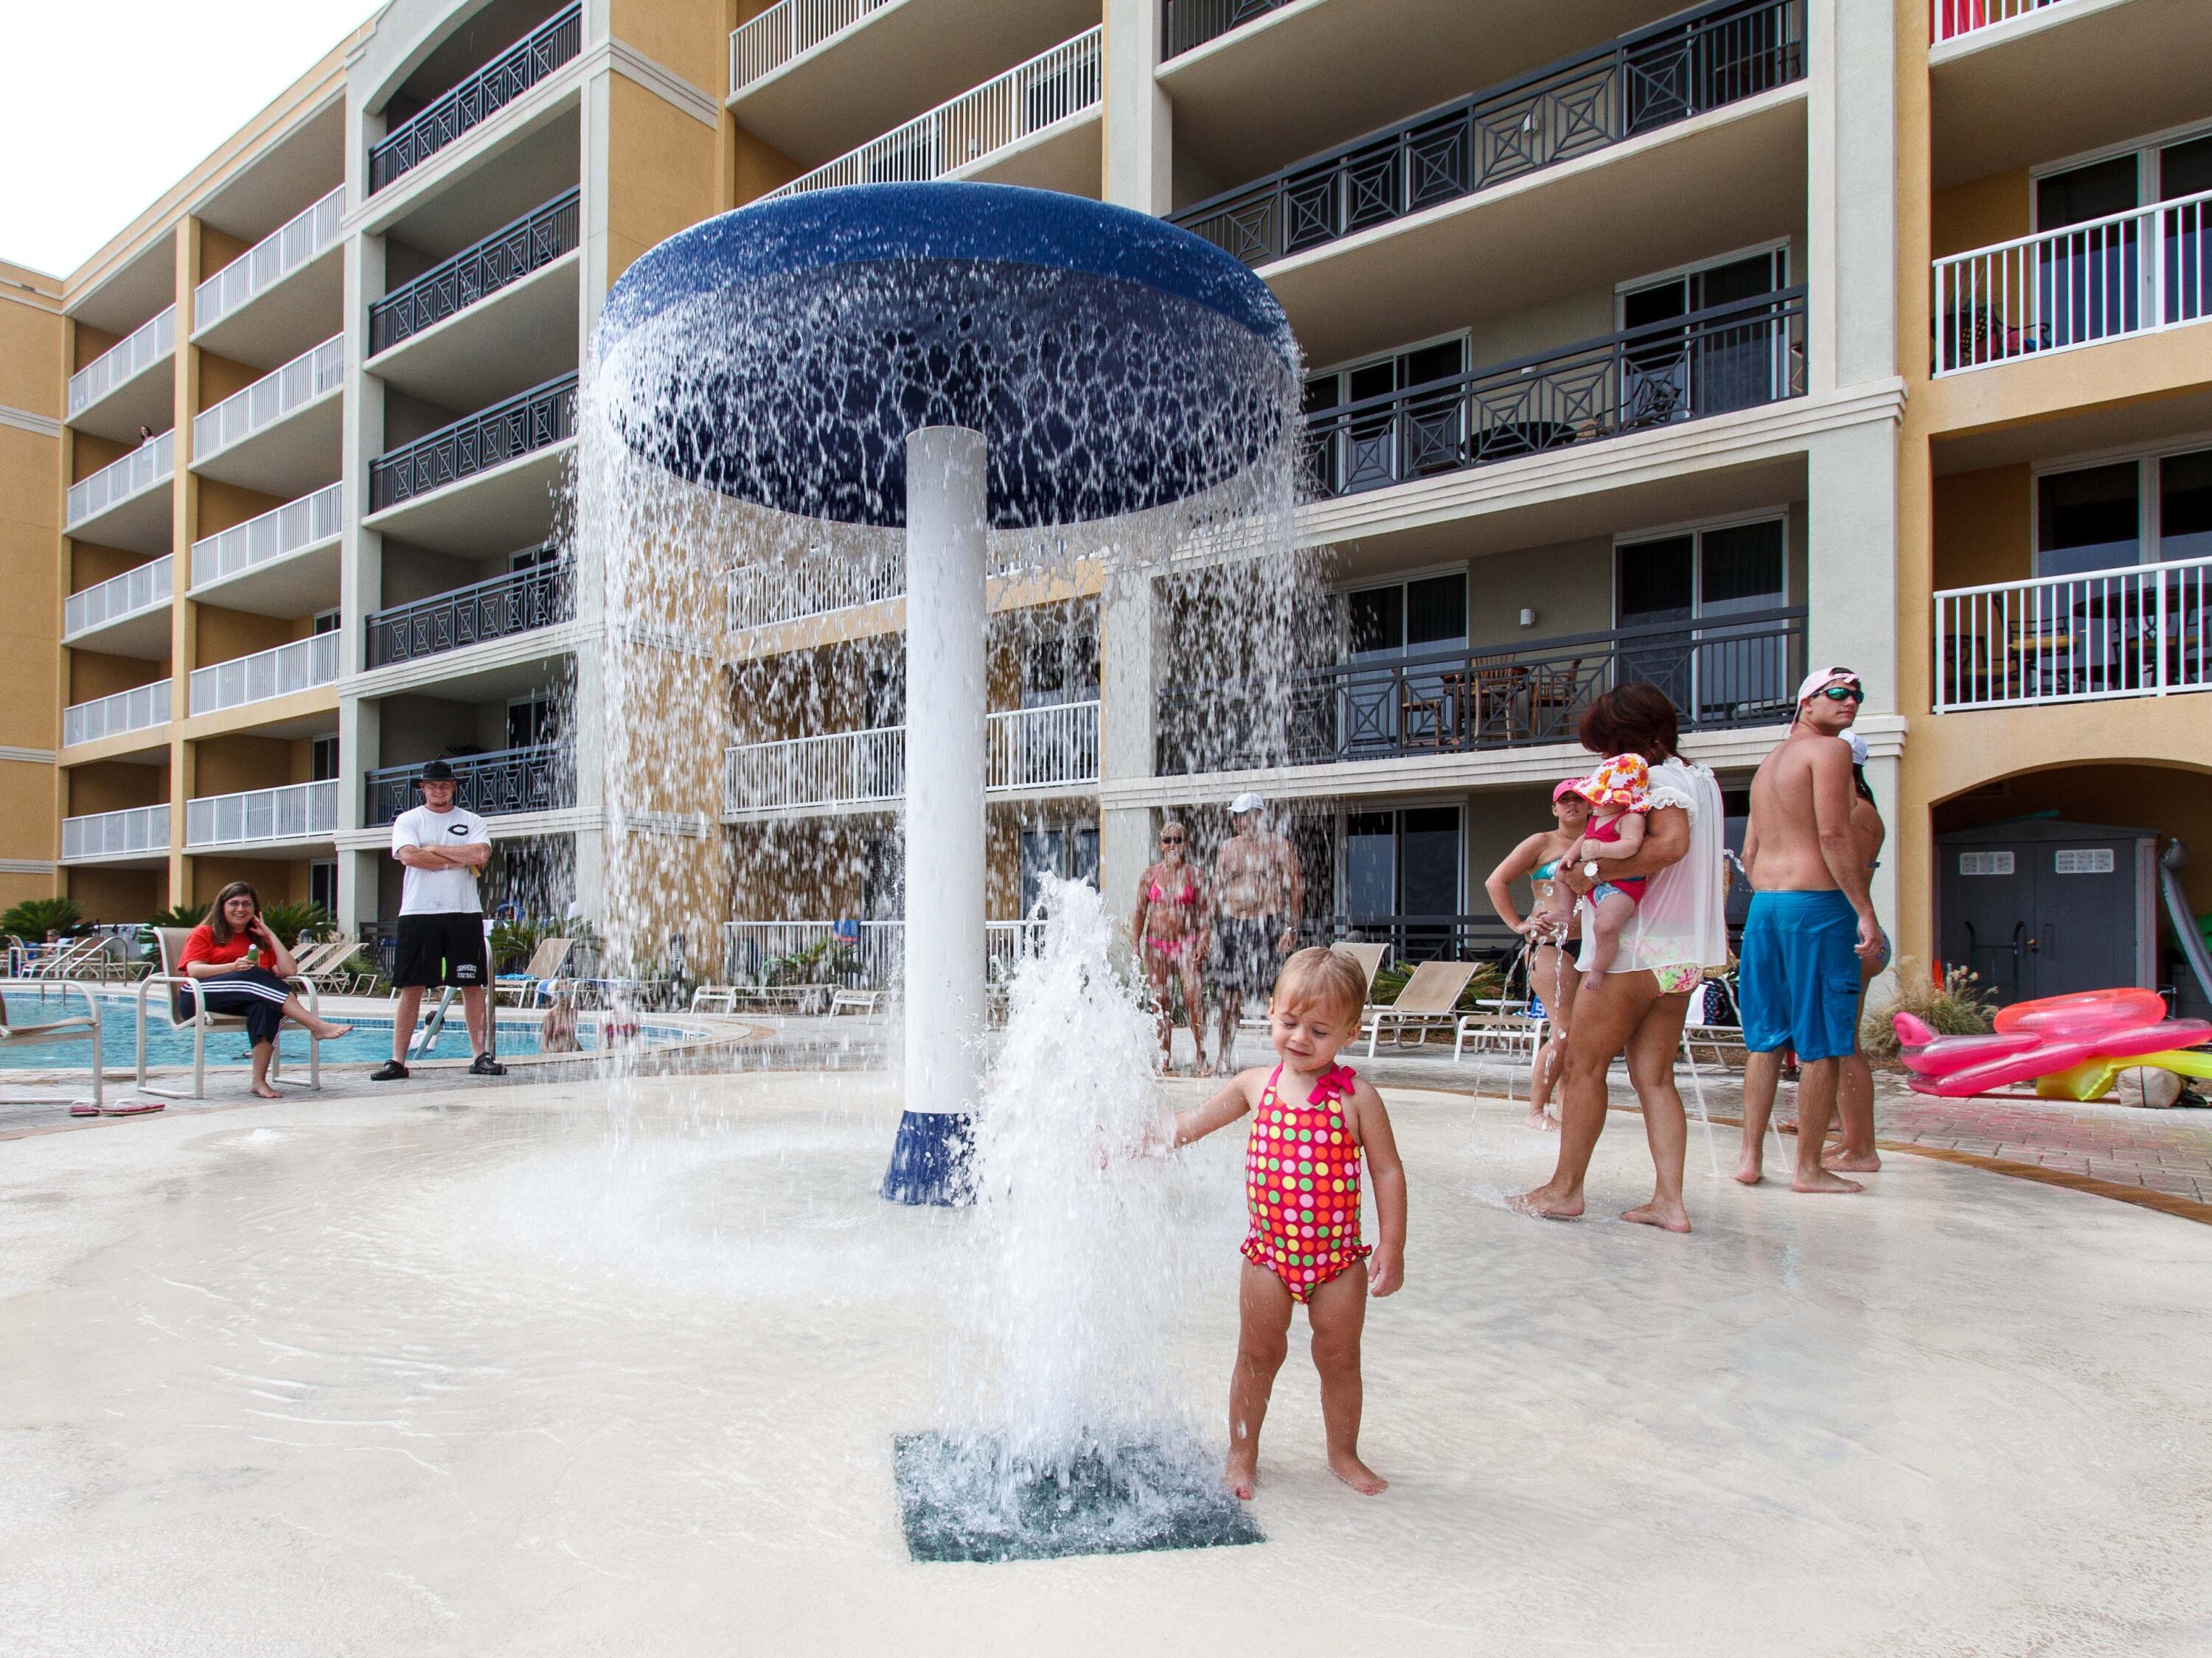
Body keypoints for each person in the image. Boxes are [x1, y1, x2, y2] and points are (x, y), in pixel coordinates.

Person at [1164, 947, 1406, 1499]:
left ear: (1350, 1031)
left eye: (1319, 1029)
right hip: (1268, 1256)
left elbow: (1388, 1172)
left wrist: (1392, 1244)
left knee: (1340, 1357)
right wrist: (1142, 1140)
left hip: (1338, 1261)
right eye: (1289, 1022)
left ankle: (1344, 1452)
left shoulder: (1358, 1099)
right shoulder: (1256, 1085)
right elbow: (1193, 1123)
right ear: (1270, 1010)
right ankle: (1242, 1452)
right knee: (1256, 1354)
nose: (1299, 1038)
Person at [1510, 683, 1728, 1233]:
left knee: (1583, 1066)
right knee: (1655, 1076)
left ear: (1630, 738)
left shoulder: (1656, 782)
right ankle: (1669, 1202)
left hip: (1637, 951)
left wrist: (1586, 873)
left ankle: (1565, 1189)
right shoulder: (1700, 779)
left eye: (1608, 747)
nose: (1607, 762)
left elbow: (1670, 845)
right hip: (1681, 955)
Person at [1734, 669, 1885, 1193]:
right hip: (1818, 906)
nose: (1852, 702)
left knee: (1766, 1038)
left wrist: (1778, 887)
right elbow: (1832, 832)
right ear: (1807, 702)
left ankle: (1750, 1159)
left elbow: (1748, 853)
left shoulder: (1767, 765)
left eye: (1857, 695)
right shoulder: (1831, 751)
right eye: (1839, 693)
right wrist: (1862, 908)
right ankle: (1808, 1168)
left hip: (1766, 907)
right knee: (1822, 1039)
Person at [372, 759, 505, 1081]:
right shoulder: (408, 820)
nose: (439, 790)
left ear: (454, 787)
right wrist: (453, 854)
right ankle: (397, 1061)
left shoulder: (472, 820)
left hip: (463, 912)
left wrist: (434, 850)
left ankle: (479, 1056)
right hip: (419, 913)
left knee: (471, 985)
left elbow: (480, 856)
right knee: (411, 986)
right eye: (432, 785)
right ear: (423, 788)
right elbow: (409, 856)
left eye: (445, 785)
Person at [177, 882, 353, 1099]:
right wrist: (233, 967)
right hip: (197, 996)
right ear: (222, 907)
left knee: (267, 1006)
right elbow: (194, 970)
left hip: (240, 997)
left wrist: (268, 934)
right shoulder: (205, 933)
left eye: (246, 904)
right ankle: (317, 1025)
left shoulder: (256, 939)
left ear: (255, 909)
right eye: (234, 903)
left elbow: (288, 970)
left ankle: (258, 1082)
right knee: (256, 975)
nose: (240, 909)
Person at [1484, 779, 1593, 1129]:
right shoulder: (1542, 843)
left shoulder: (1601, 841)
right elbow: (1495, 881)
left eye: (1579, 799)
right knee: (1564, 1031)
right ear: (1555, 808)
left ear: (1591, 805)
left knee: (1584, 1032)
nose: (1572, 805)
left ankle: (1565, 1105)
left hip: (1594, 946)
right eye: (1566, 800)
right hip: (1551, 945)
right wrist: (1518, 923)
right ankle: (1536, 1110)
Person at [1209, 792, 1304, 1076]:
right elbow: (1217, 891)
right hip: (1233, 926)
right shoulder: (1227, 848)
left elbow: (1296, 887)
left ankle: (1289, 1060)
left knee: (1275, 996)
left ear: (1259, 816)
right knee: (1229, 997)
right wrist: (1208, 930)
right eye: (1236, 817)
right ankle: (1223, 1056)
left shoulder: (1278, 846)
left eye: (1244, 816)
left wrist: (1292, 927)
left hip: (1267, 925)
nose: (1238, 822)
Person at [1564, 753, 1653, 992]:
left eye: (1600, 798)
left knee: (1605, 927)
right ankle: (1562, 913)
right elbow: (1583, 839)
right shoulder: (1597, 819)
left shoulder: (1630, 818)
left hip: (1622, 887)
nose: (1594, 804)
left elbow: (1631, 846)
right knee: (1560, 877)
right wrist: (1570, 857)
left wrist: (1602, 848)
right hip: (1596, 886)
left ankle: (1598, 969)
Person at [1131, 819, 1211, 1073]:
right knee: (1160, 1001)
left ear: (1186, 844)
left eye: (1178, 840)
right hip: (1156, 945)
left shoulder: (1196, 875)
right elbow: (1140, 912)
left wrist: (1203, 942)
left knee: (1193, 997)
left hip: (1186, 944)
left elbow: (1206, 916)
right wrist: (1135, 944)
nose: (1173, 844)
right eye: (1168, 840)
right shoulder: (1149, 875)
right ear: (1161, 844)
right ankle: (1164, 1056)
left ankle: (1201, 1054)